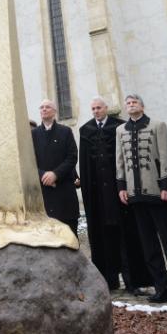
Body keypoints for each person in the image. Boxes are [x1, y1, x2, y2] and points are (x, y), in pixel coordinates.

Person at [115, 94, 167, 308]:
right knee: (149, 246)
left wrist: (166, 185)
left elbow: (166, 156)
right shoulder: (120, 131)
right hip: (135, 196)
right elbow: (119, 162)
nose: (131, 105)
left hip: (158, 193)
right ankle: (162, 288)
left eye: (135, 102)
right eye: (128, 103)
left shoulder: (158, 125)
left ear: (142, 105)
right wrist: (121, 187)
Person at [78, 96, 151, 294]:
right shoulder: (85, 130)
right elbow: (84, 164)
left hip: (118, 192)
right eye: (93, 108)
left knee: (125, 236)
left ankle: (132, 281)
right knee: (103, 236)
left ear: (106, 109)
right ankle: (108, 281)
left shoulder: (120, 127)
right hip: (98, 196)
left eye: (99, 108)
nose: (96, 111)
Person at [31, 100, 80, 235]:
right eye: (41, 107)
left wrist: (55, 174)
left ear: (54, 111)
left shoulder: (65, 132)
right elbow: (30, 162)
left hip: (64, 190)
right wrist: (43, 175)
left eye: (48, 107)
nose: (44, 109)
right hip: (44, 192)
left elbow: (72, 157)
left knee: (69, 234)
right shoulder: (33, 134)